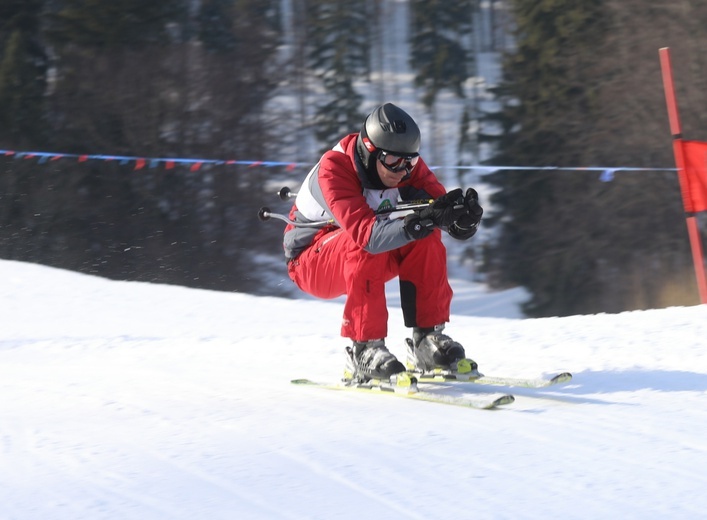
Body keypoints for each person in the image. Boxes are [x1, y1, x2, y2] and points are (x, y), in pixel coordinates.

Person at [283, 103, 483, 382]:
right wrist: (422, 220)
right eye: (393, 162)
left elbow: (438, 212)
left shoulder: (406, 167)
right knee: (369, 240)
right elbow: (367, 235)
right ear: (369, 150)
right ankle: (365, 348)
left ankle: (427, 339)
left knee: (425, 235)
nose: (402, 171)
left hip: (363, 254)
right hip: (311, 262)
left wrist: (461, 221)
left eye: (410, 162)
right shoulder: (335, 168)